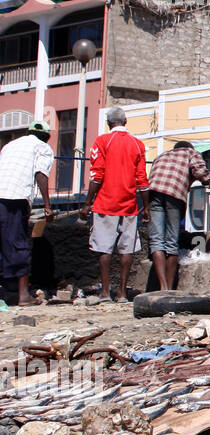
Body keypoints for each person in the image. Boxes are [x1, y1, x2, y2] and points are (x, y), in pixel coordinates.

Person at [80, 107, 149, 302]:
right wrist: (147, 207)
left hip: (105, 203)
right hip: (129, 205)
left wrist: (87, 203)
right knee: (126, 250)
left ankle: (105, 292)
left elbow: (97, 175)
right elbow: (142, 179)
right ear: (125, 122)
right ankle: (123, 293)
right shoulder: (137, 144)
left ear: (109, 123)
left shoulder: (102, 141)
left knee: (105, 249)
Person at [146, 140, 210, 291]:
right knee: (171, 242)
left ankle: (161, 286)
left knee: (156, 241)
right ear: (189, 148)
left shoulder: (160, 156)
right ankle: (168, 289)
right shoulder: (191, 153)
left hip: (153, 195)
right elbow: (204, 176)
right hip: (174, 195)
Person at [0, 121, 54, 306]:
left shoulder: (10, 145)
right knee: (18, 244)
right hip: (14, 198)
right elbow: (41, 174)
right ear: (46, 137)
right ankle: (23, 296)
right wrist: (47, 206)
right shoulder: (42, 147)